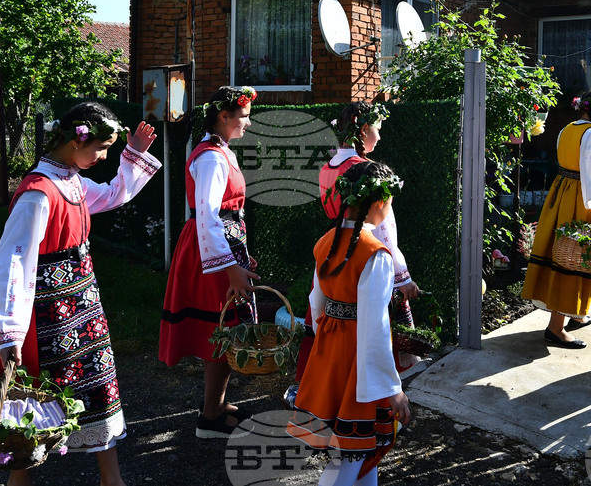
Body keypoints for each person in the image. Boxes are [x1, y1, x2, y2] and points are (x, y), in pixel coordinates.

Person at [0, 102, 160, 486]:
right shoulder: (38, 193)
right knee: (31, 399)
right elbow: (13, 264)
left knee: (99, 385)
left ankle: (110, 478)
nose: (102, 157)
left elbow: (115, 194)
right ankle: (20, 481)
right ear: (73, 140)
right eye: (99, 148)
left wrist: (134, 156)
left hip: (83, 305)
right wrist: (10, 331)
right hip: (47, 315)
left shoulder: (71, 181)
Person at [287, 160, 412, 486]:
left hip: (330, 350)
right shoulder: (376, 254)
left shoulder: (327, 240)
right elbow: (375, 328)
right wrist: (393, 389)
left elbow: (316, 303)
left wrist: (325, 340)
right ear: (380, 203)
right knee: (351, 455)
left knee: (360, 450)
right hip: (358, 365)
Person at [289, 102, 419, 397]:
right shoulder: (367, 171)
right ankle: (370, 390)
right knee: (369, 324)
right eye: (378, 130)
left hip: (333, 252)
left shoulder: (326, 168)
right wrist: (401, 276)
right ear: (363, 129)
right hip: (364, 256)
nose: (380, 137)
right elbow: (386, 232)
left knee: (327, 321)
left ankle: (317, 387)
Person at [159, 86, 260, 439]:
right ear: (224, 116)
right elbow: (208, 215)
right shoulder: (211, 158)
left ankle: (214, 406)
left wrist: (239, 254)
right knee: (222, 330)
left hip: (219, 244)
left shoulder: (219, 151)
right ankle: (211, 417)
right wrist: (230, 265)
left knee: (224, 329)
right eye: (244, 117)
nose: (248, 123)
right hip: (211, 249)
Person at [520, 87, 591, 349]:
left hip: (562, 192)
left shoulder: (568, 129)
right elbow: (589, 169)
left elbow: (578, 165)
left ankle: (576, 313)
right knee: (576, 258)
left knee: (563, 252)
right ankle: (556, 328)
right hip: (581, 200)